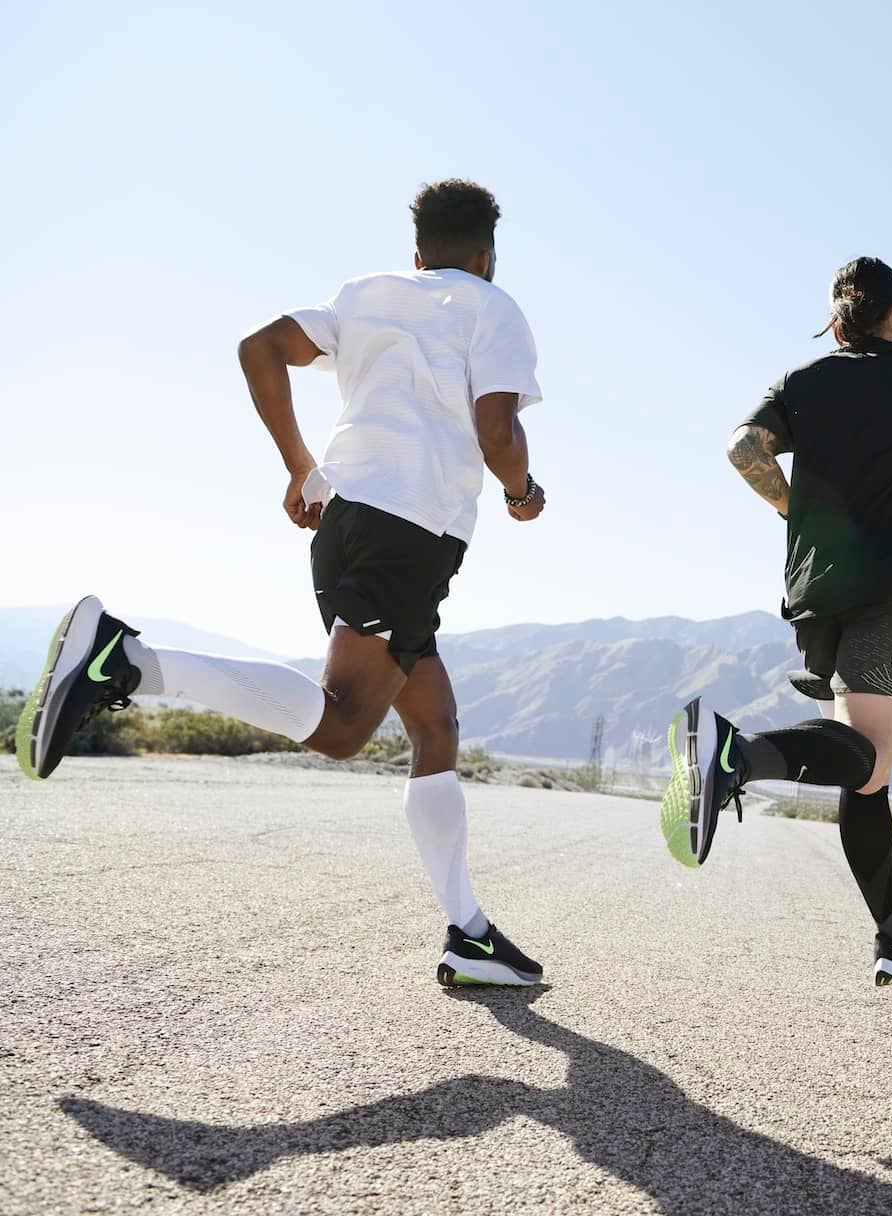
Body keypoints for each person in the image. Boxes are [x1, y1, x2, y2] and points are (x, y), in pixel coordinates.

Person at [16, 179, 546, 988]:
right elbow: (498, 431)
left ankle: (467, 932)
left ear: (417, 253)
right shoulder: (490, 305)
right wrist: (521, 491)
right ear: (485, 255)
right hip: (411, 533)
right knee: (339, 730)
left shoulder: (369, 294)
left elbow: (260, 346)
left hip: (346, 523)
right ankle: (126, 661)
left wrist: (303, 465)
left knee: (433, 724)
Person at [661, 256, 892, 986]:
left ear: (836, 323)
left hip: (817, 590)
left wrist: (791, 509)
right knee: (872, 757)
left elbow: (744, 446)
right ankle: (735, 755)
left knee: (863, 774)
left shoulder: (808, 379)